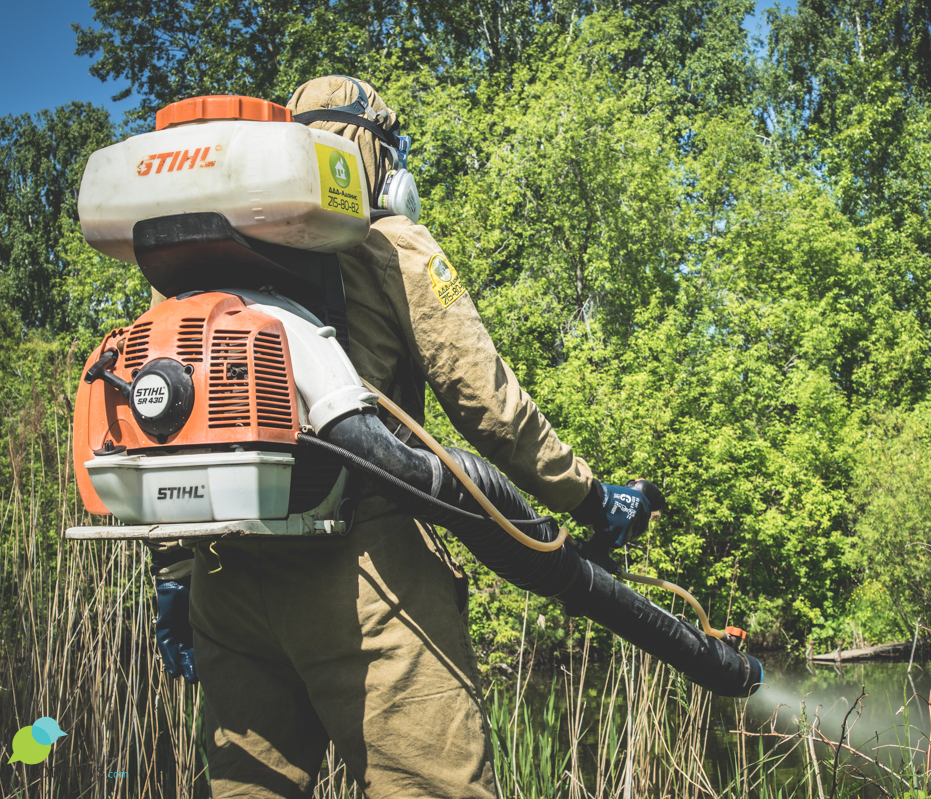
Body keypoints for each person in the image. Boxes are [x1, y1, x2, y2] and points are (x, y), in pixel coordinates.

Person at [149, 75, 654, 799]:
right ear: (376, 153)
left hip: (225, 584)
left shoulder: (200, 264)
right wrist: (590, 496)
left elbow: (164, 423)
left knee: (244, 790)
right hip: (359, 574)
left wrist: (172, 575)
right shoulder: (387, 239)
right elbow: (487, 403)